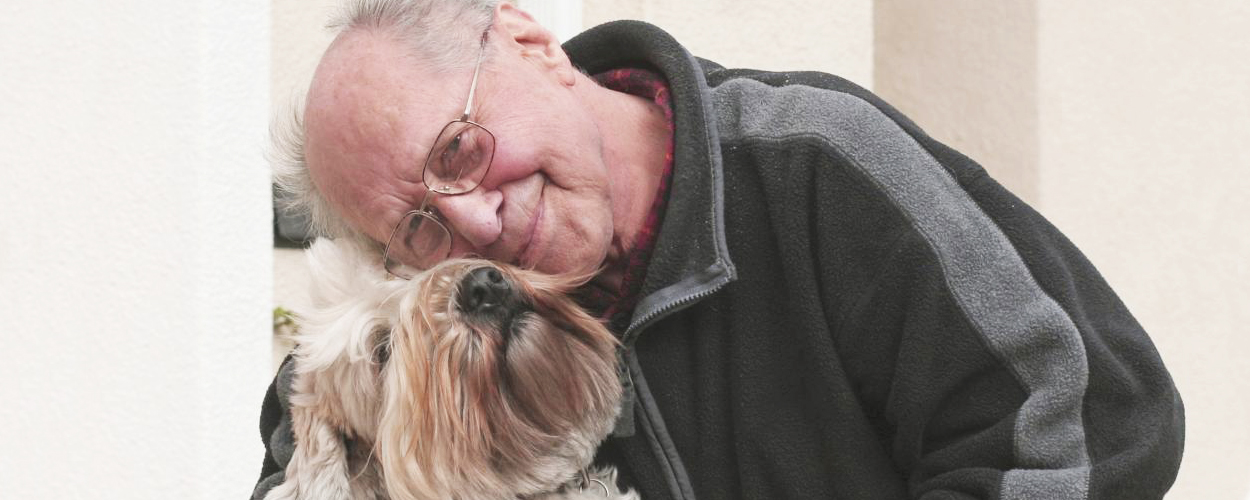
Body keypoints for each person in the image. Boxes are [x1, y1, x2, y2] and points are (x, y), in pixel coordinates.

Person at [254, 1, 1185, 498]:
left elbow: (1089, 426)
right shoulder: (421, 321)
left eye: (460, 148)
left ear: (530, 43)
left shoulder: (816, 169)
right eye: (418, 225)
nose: (476, 225)